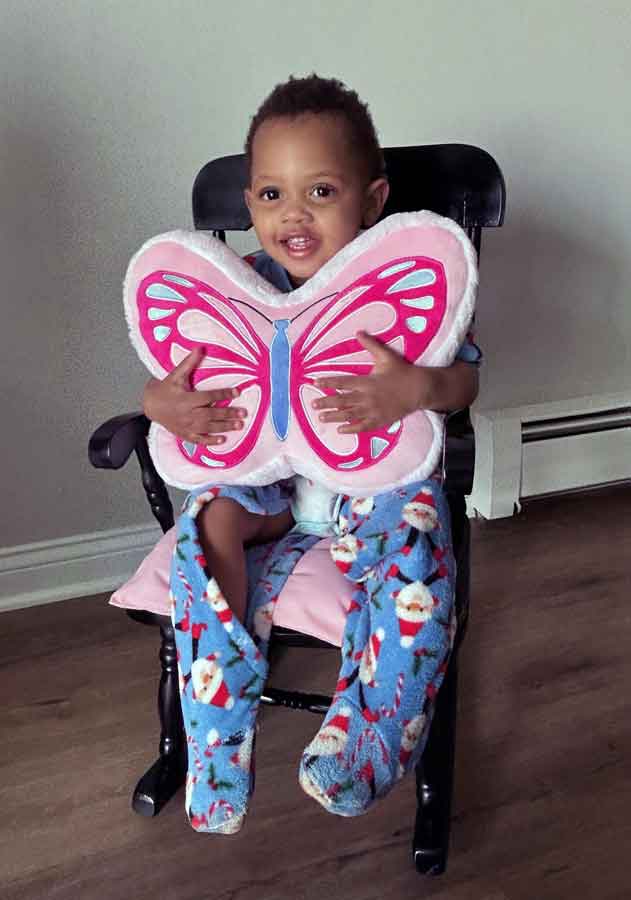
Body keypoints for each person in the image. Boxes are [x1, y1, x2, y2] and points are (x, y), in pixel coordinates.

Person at [143, 74, 480, 834]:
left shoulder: (389, 291)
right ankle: (215, 741)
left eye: (320, 191)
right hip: (269, 488)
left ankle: (364, 742)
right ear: (251, 203)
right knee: (209, 522)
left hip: (375, 489)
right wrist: (158, 406)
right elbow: (174, 380)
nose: (291, 214)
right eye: (269, 195)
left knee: (419, 539)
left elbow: (464, 380)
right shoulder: (239, 289)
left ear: (371, 198)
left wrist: (418, 386)